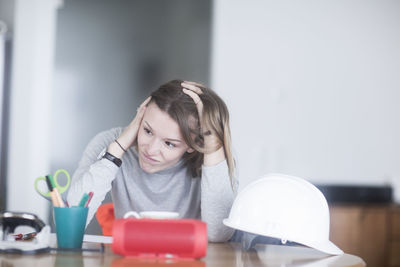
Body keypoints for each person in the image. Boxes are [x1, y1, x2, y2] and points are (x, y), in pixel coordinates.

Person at [67, 79, 237, 242]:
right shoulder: (108, 142)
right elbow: (69, 223)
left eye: (169, 143)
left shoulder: (212, 156)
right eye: (148, 130)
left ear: (194, 144)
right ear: (140, 116)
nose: (151, 149)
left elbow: (219, 234)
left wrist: (212, 143)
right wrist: (115, 151)